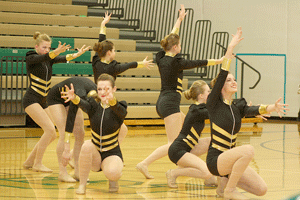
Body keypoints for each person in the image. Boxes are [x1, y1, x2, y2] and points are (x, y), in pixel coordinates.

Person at [136, 4, 224, 179]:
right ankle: (144, 163)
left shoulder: (161, 57)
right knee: (173, 144)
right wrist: (219, 60)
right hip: (169, 102)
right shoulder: (177, 62)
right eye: (179, 44)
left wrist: (179, 20)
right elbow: (200, 62)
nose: (180, 46)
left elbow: (170, 38)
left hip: (163, 101)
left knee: (186, 130)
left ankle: (187, 157)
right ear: (175, 47)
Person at [206, 27, 289, 200]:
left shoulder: (237, 106)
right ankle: (229, 190)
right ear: (221, 87)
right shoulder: (214, 102)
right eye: (229, 80)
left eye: (234, 79)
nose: (234, 82)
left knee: (261, 189)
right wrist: (230, 48)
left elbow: (255, 110)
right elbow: (222, 72)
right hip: (216, 160)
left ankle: (223, 188)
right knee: (248, 150)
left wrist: (273, 107)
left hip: (232, 160)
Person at [22, 31, 89, 172]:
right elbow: (47, 57)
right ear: (36, 47)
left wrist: (77, 54)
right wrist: (54, 52)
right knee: (49, 130)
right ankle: (37, 164)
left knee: (53, 133)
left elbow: (64, 58)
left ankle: (29, 161)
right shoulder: (31, 57)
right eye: (44, 47)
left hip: (43, 100)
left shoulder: (49, 59)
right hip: (31, 99)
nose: (47, 50)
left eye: (48, 47)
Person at [92, 12, 154, 145]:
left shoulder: (96, 60)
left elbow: (101, 40)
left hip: (98, 99)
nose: (115, 53)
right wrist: (142, 64)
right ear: (109, 53)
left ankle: (112, 150)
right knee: (114, 130)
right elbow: (128, 65)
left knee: (116, 130)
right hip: (106, 102)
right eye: (114, 51)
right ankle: (111, 151)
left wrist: (103, 25)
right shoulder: (113, 67)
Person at [61, 73, 127, 194]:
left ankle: (114, 178)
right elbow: (83, 104)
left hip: (112, 153)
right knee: (86, 145)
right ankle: (82, 185)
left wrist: (112, 101)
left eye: (106, 89)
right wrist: (74, 97)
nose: (102, 92)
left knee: (113, 173)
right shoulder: (94, 105)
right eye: (100, 89)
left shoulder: (120, 106)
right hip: (95, 153)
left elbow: (122, 112)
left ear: (114, 89)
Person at [166, 80, 216, 188]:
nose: (211, 93)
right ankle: (173, 173)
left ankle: (211, 179)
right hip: (178, 150)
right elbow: (216, 112)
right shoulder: (197, 111)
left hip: (188, 147)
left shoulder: (200, 108)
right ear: (201, 95)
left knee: (212, 141)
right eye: (208, 91)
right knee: (206, 172)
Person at [47, 77, 96, 182]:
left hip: (73, 96)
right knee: (64, 132)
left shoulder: (98, 97)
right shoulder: (80, 95)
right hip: (56, 98)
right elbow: (71, 119)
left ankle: (78, 172)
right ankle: (62, 173)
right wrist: (66, 148)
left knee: (80, 134)